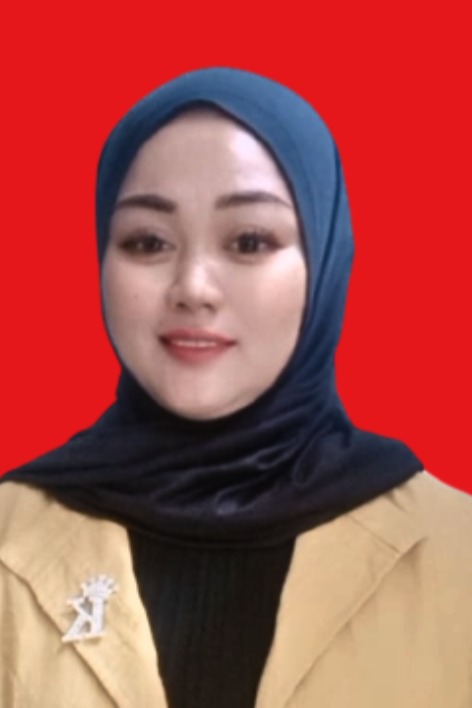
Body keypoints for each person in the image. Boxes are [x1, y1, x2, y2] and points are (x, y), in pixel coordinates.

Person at [1, 68, 471, 708]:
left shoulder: (457, 556)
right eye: (148, 241)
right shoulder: (9, 539)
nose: (193, 286)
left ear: (325, 261)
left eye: (249, 241)